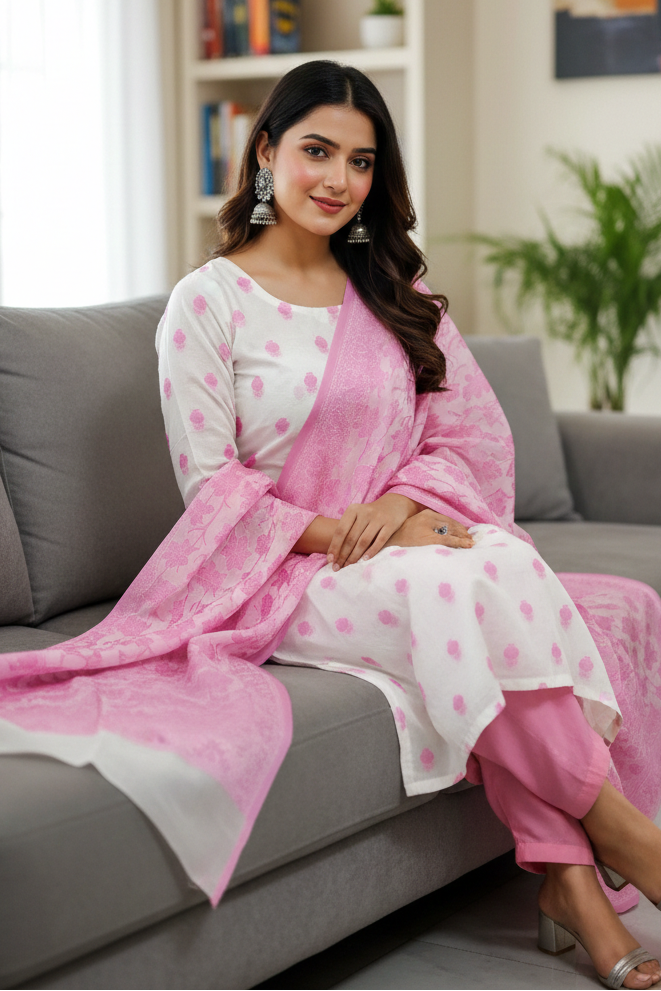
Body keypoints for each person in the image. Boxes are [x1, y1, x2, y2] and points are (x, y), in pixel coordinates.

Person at [1, 60, 660, 990]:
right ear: (266, 151)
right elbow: (211, 485)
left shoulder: (395, 292)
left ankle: (569, 881)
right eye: (315, 150)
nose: (335, 178)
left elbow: (470, 438)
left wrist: (400, 508)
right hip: (278, 574)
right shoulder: (209, 303)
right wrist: (341, 535)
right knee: (454, 584)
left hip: (402, 549)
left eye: (359, 160)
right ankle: (626, 834)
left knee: (491, 564)